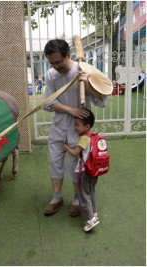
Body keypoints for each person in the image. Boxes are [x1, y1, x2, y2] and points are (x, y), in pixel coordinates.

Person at [42, 39, 107, 217]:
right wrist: (71, 110)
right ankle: (57, 197)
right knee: (54, 161)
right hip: (59, 125)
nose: (56, 66)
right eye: (52, 63)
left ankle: (77, 199)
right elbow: (48, 103)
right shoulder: (51, 75)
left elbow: (101, 101)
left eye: (59, 62)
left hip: (79, 129)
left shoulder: (84, 71)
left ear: (68, 55)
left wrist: (87, 83)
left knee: (75, 165)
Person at [63, 109, 99, 232]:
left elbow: (75, 153)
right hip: (94, 172)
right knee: (92, 192)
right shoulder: (93, 136)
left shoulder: (84, 138)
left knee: (84, 196)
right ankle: (94, 213)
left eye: (77, 125)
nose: (75, 127)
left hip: (85, 172)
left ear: (87, 126)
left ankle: (91, 219)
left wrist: (67, 148)